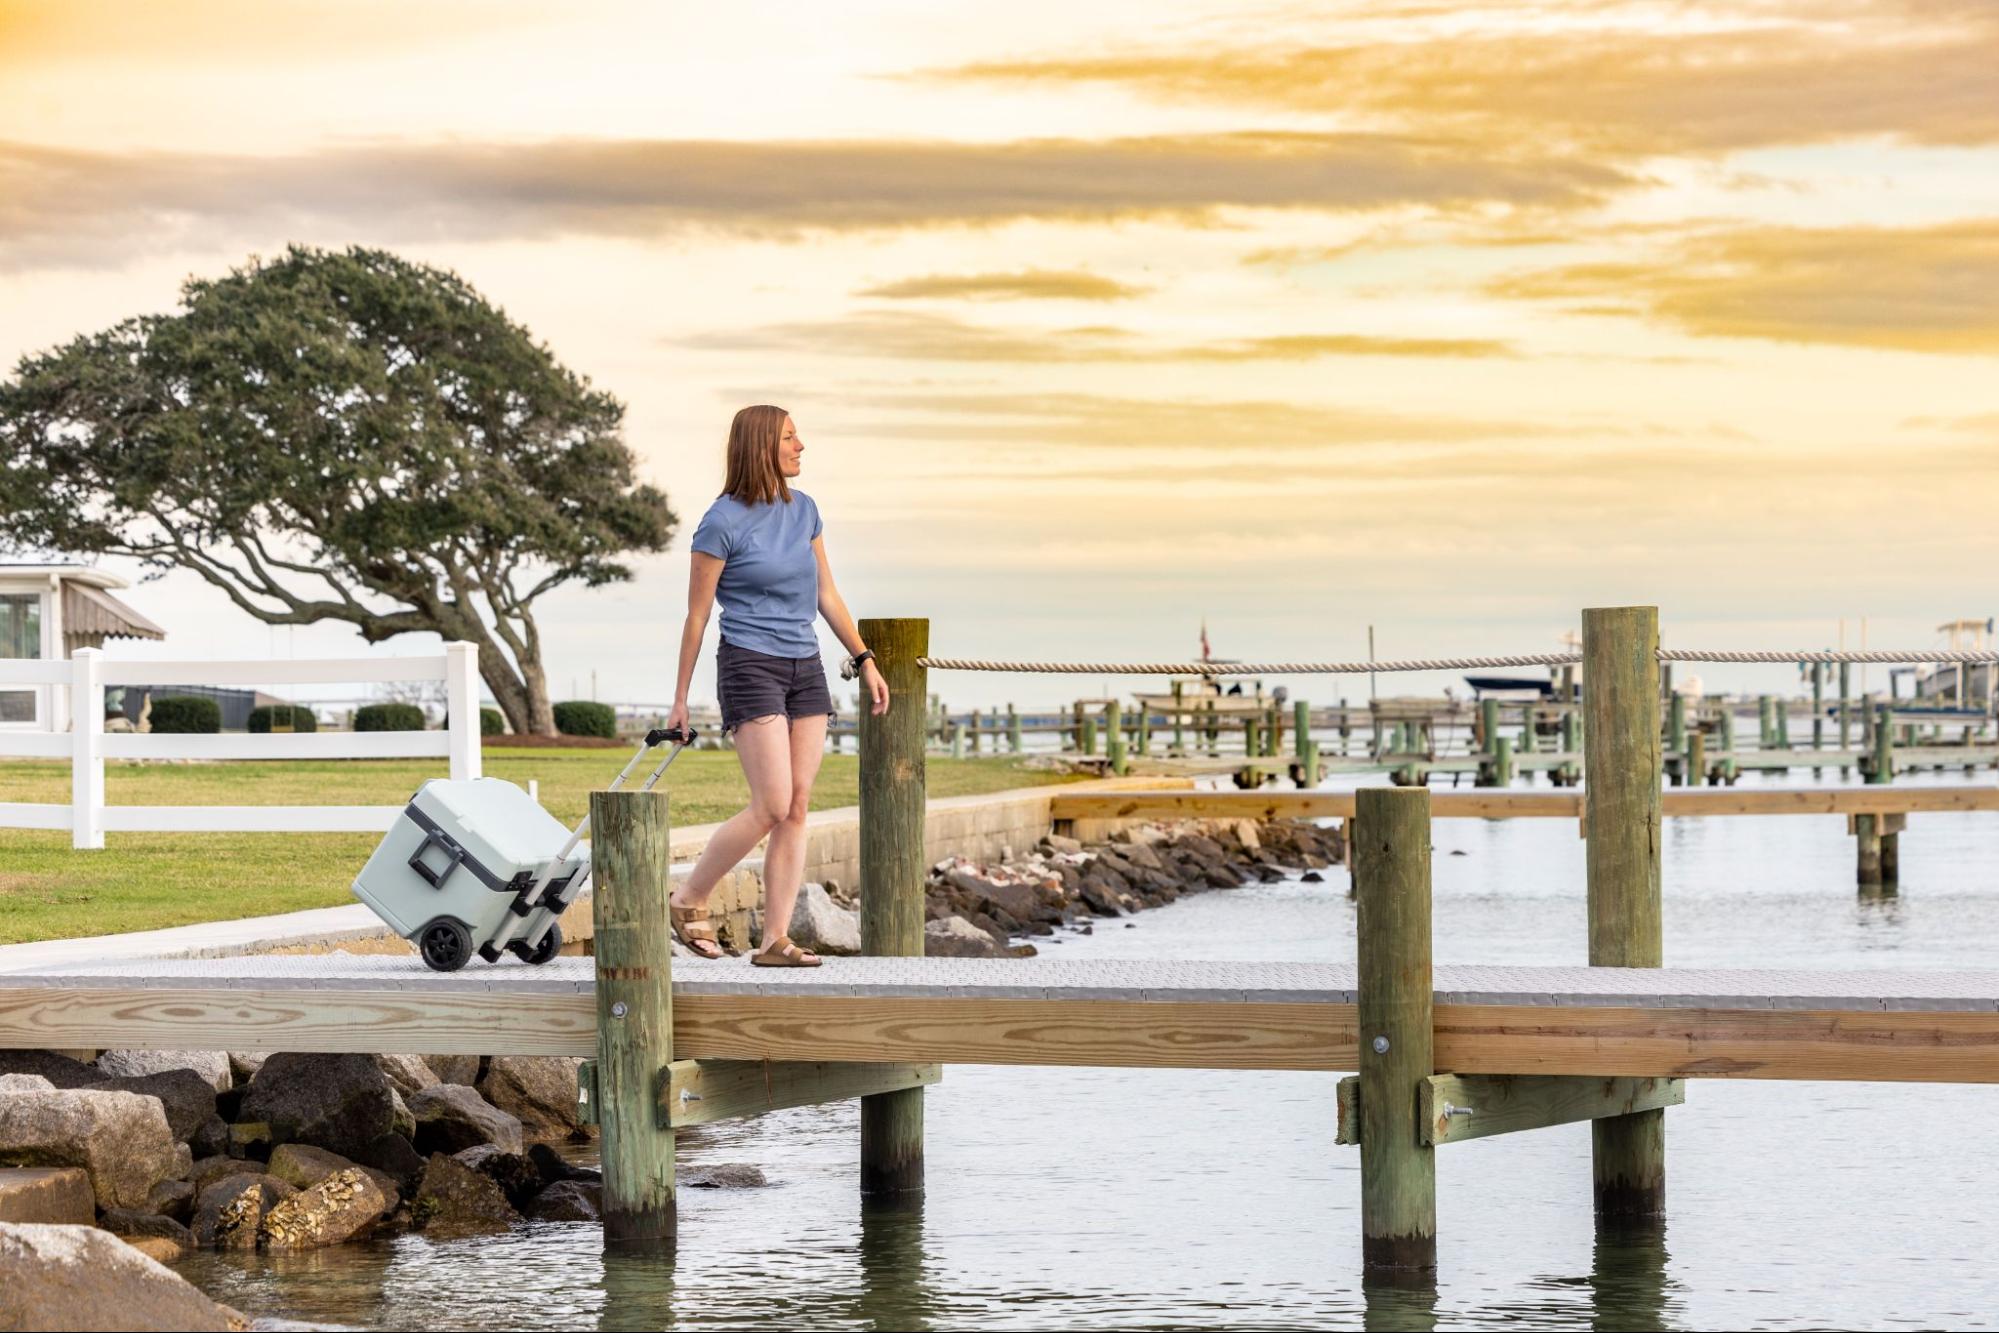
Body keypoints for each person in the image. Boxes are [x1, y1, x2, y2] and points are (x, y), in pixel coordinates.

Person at [662, 405, 890, 966]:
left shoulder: (805, 511)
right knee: (771, 803)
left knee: (797, 806)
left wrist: (863, 658)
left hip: (804, 667)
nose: (801, 446)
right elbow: (697, 616)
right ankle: (689, 897)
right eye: (790, 437)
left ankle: (775, 941)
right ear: (763, 445)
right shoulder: (720, 522)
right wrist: (680, 699)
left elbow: (826, 595)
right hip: (749, 665)